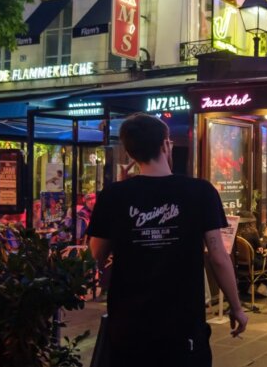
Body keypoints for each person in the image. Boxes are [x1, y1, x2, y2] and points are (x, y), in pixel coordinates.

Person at [87, 114, 247, 367]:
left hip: (128, 325)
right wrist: (236, 307)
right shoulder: (200, 192)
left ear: (130, 153)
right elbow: (218, 256)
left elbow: (94, 256)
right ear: (165, 145)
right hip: (182, 325)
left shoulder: (112, 196)